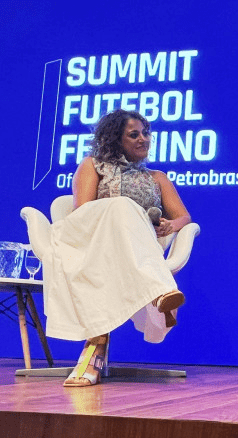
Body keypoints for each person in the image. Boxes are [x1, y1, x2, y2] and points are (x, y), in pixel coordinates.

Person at [45, 109, 192, 387]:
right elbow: (83, 211)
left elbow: (183, 216)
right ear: (115, 139)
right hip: (92, 238)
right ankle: (161, 292)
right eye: (134, 134)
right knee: (123, 206)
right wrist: (124, 211)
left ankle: (95, 352)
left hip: (136, 248)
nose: (143, 139)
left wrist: (170, 226)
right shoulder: (92, 164)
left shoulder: (158, 177)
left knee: (127, 210)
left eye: (146, 133)